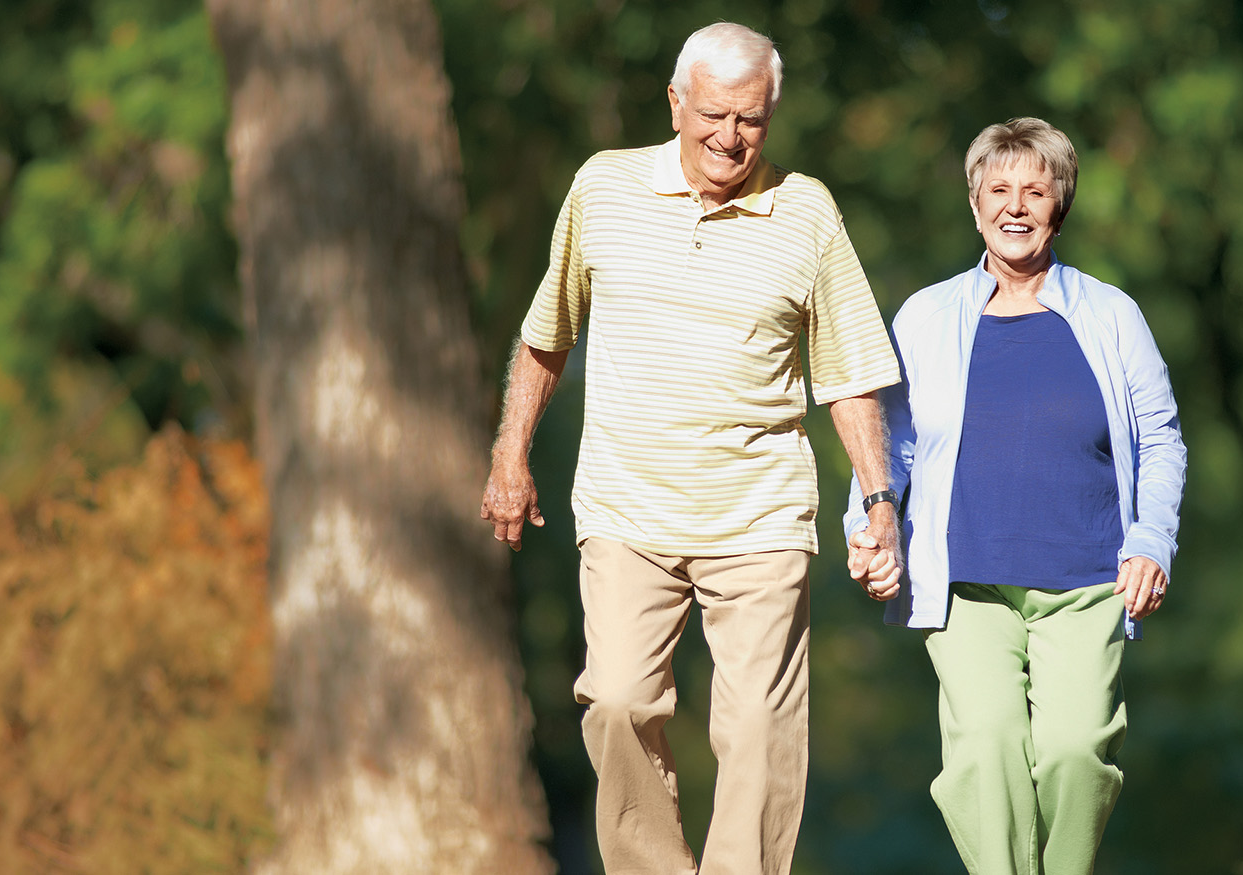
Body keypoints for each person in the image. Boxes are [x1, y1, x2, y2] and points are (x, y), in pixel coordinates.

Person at [479, 22, 906, 875]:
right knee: (617, 704)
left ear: (770, 117)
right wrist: (508, 457)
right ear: (675, 104)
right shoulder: (603, 189)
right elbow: (546, 335)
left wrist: (879, 500)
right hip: (627, 507)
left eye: (751, 120)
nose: (730, 137)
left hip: (760, 515)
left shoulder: (808, 212)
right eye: (713, 114)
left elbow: (851, 374)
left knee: (757, 734)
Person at [845, 117, 1186, 874]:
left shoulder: (1112, 314)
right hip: (967, 584)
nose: (1016, 205)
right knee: (986, 751)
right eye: (998, 189)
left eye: (1036, 189)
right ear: (974, 205)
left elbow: (1161, 437)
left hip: (1090, 577)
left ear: (1060, 203)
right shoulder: (927, 317)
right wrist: (871, 527)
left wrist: (1151, 538)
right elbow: (889, 441)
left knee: (1074, 754)